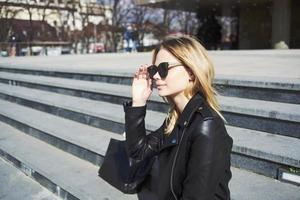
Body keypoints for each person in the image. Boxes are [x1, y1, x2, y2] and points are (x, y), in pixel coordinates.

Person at [123, 35, 233, 200]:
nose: (156, 77)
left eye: (164, 68)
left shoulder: (206, 125)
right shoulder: (175, 119)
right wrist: (138, 102)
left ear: (191, 71)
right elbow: (138, 153)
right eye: (154, 70)